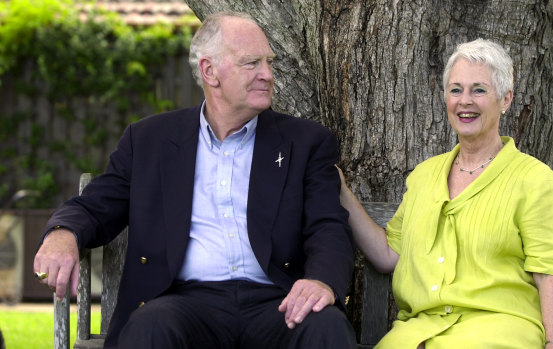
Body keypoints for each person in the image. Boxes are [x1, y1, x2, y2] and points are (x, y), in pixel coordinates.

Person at [33, 11, 356, 349]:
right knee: (150, 328)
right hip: (184, 303)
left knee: (325, 327)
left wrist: (321, 281)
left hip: (276, 301)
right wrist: (62, 233)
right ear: (209, 71)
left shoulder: (304, 142)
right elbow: (97, 206)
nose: (267, 75)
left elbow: (328, 226)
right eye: (251, 63)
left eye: (268, 62)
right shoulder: (150, 140)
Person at [337, 38, 553, 349]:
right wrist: (340, 190)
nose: (465, 101)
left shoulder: (533, 180)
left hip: (500, 330)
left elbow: (550, 276)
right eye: (456, 90)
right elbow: (389, 254)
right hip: (417, 333)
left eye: (479, 90)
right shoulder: (424, 176)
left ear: (506, 99)